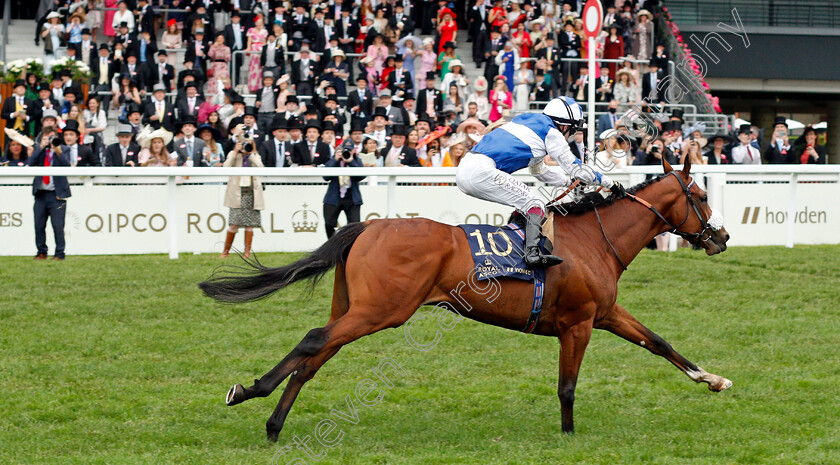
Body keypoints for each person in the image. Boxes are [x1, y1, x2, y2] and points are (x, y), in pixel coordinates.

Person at [456, 96, 621, 268]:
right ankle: (532, 254)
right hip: (481, 171)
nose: (570, 135)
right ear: (564, 126)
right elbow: (578, 169)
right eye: (572, 130)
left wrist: (567, 182)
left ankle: (516, 244)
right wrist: (611, 183)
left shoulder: (530, 122)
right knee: (535, 204)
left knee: (525, 204)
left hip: (467, 168)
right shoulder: (553, 133)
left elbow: (539, 171)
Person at [28, 128, 71, 260]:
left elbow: (67, 165)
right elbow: (30, 163)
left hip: (57, 194)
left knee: (58, 226)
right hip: (41, 194)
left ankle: (59, 253)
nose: (50, 140)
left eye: (52, 137)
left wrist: (58, 152)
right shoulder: (39, 150)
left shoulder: (64, 149)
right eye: (47, 137)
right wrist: (40, 147)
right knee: (39, 225)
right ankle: (41, 252)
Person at [220, 137, 265, 258]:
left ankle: (247, 252)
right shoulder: (233, 154)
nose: (246, 147)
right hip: (237, 192)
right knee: (233, 224)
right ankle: (226, 251)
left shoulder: (255, 155)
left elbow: (261, 167)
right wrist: (235, 152)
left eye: (249, 144)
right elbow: (225, 167)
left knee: (249, 224)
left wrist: (250, 154)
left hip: (251, 192)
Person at [322, 148, 365, 238]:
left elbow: (361, 176)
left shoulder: (357, 160)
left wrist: (351, 161)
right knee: (329, 223)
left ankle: (348, 247)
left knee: (354, 226)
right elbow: (325, 176)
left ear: (353, 151)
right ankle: (332, 245)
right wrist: (335, 159)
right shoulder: (334, 160)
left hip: (352, 198)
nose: (346, 153)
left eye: (349, 150)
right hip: (334, 197)